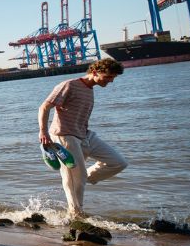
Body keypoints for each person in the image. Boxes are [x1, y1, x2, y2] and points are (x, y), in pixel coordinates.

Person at [38, 57, 127, 218]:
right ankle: (76, 214)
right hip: (64, 135)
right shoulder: (69, 85)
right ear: (94, 72)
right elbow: (45, 107)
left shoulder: (89, 89)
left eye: (113, 77)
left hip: (84, 134)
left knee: (118, 162)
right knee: (74, 179)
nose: (111, 81)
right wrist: (43, 132)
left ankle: (82, 178)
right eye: (108, 77)